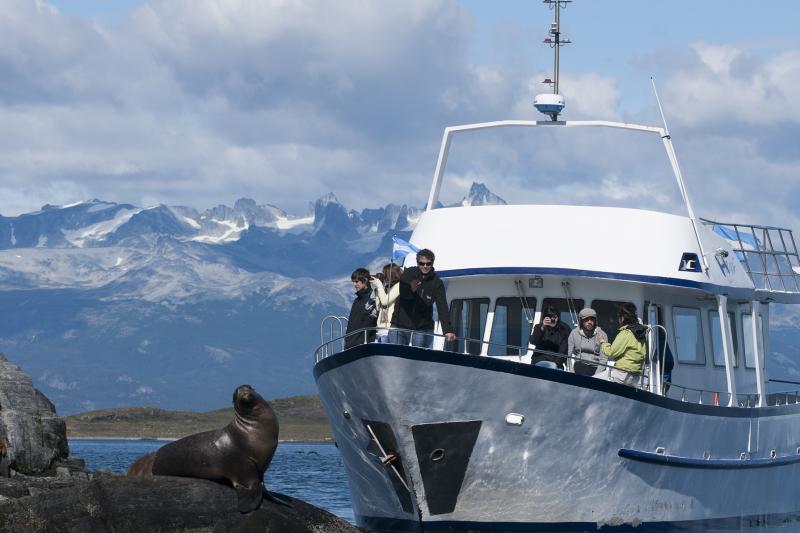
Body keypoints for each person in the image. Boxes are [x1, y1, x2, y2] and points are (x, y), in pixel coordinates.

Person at [389, 249, 455, 348]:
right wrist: (411, 289)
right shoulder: (409, 273)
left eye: (428, 264)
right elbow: (403, 293)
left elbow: (442, 307)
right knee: (394, 356)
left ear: (432, 263)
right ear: (417, 263)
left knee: (418, 357)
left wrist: (447, 330)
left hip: (421, 327)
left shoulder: (437, 283)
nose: (425, 266)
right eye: (422, 263)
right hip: (399, 324)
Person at [598, 302, 647, 386]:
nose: (618, 320)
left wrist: (602, 341)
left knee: (592, 381)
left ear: (622, 318)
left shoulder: (626, 333)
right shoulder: (641, 333)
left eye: (619, 317)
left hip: (623, 374)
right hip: (636, 376)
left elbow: (611, 352)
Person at [567, 307, 608, 376]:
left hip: (596, 366)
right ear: (581, 321)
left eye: (592, 319)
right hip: (580, 364)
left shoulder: (602, 335)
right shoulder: (574, 333)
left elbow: (604, 359)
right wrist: (571, 371)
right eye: (586, 319)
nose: (589, 322)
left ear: (595, 321)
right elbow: (568, 354)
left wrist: (596, 376)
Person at [344, 267, 378, 349]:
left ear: (365, 280)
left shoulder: (373, 299)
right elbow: (351, 324)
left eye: (357, 281)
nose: (354, 285)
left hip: (365, 346)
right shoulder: (356, 300)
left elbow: (372, 322)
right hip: (350, 345)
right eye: (353, 282)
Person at [371, 263, 402, 343]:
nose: (384, 277)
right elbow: (378, 307)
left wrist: (379, 285)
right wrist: (378, 289)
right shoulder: (386, 288)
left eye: (385, 274)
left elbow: (385, 302)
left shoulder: (399, 286)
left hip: (389, 329)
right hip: (380, 329)